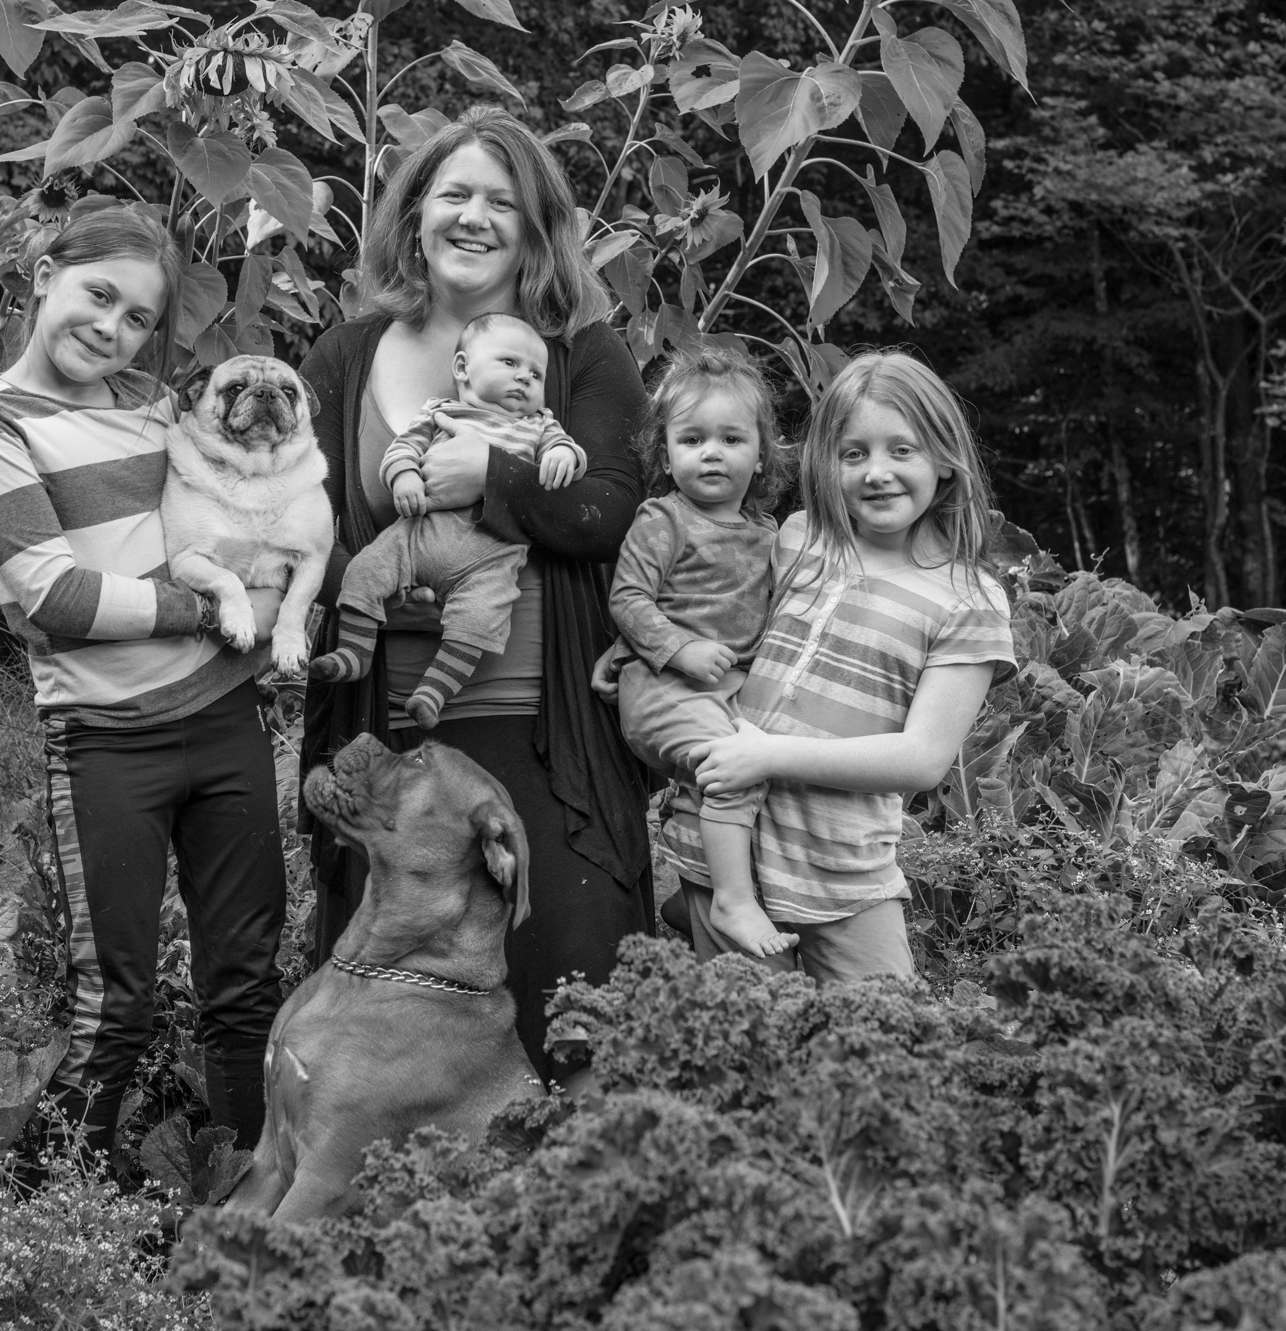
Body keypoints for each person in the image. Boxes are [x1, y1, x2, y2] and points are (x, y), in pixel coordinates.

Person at [299, 106, 652, 1079]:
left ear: (537, 228)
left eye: (502, 201)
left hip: (549, 742)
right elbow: (300, 527)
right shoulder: (344, 358)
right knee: (385, 1042)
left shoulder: (583, 352)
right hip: (398, 745)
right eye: (453, 193)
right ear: (414, 213)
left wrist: (482, 480)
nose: (474, 216)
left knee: (571, 1023)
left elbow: (607, 508)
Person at [0, 204, 287, 1162]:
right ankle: (50, 1209)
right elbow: (59, 595)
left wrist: (274, 587)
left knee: (245, 982)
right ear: (45, 273)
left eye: (139, 319)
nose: (113, 328)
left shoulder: (157, 403)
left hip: (225, 721)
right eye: (100, 296)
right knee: (115, 1003)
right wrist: (222, 609)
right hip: (105, 738)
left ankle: (235, 1191)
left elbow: (242, 510)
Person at [667, 349, 1016, 983]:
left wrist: (768, 755)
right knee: (740, 1061)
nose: (876, 472)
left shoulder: (969, 598)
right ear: (827, 464)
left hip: (840, 866)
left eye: (901, 450)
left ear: (944, 458)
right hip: (723, 852)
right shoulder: (798, 541)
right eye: (853, 454)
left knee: (885, 1056)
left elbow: (923, 759)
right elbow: (710, 621)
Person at [310, 311, 586, 728]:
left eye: (536, 373)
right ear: (462, 369)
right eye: (510, 363)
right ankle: (353, 652)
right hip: (420, 534)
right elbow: (404, 448)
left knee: (482, 616)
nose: (526, 378)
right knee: (366, 570)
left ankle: (434, 692)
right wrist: (403, 476)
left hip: (492, 555)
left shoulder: (538, 424)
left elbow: (568, 451)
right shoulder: (441, 413)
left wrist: (565, 456)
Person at [607, 345, 795, 958]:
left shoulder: (768, 534)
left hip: (725, 687)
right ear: (665, 454)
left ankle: (687, 900)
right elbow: (629, 599)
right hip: (665, 687)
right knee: (733, 768)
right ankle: (729, 902)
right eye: (692, 439)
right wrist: (680, 648)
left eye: (731, 439)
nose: (711, 452)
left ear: (762, 452)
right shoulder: (663, 520)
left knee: (760, 777)